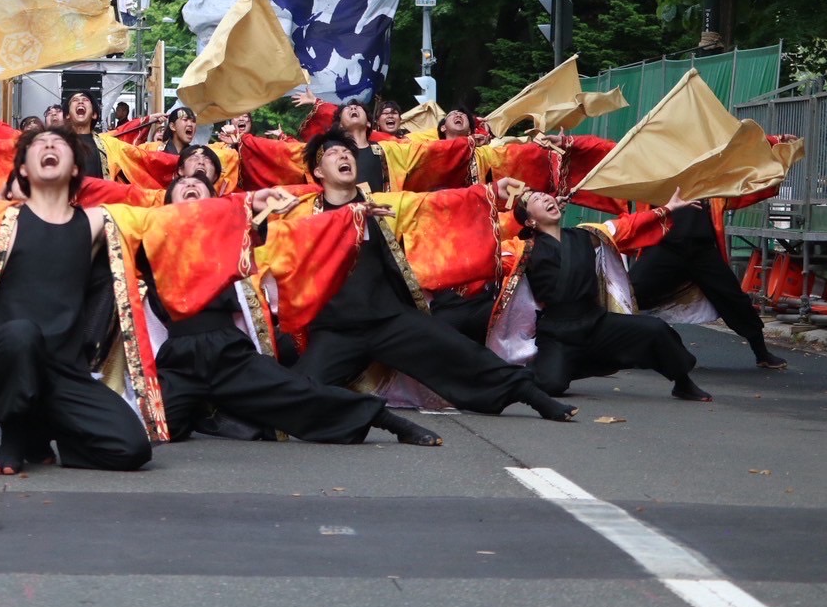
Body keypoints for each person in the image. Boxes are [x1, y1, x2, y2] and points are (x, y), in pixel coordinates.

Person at [289, 130, 576, 421]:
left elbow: (435, 203)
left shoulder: (385, 204)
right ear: (317, 170)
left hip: (388, 319)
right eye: (332, 153)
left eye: (347, 152)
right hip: (337, 330)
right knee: (300, 391)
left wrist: (488, 191)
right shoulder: (303, 213)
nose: (343, 156)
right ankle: (374, 418)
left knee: (464, 353)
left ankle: (533, 397)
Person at [147, 174, 441, 446]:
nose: (191, 186)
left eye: (199, 188)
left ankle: (388, 421)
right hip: (179, 356)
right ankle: (214, 412)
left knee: (298, 392)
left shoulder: (231, 235)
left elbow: (296, 234)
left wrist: (352, 214)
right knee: (163, 425)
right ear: (168, 202)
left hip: (223, 349)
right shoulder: (148, 239)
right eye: (182, 185)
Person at [0, 127, 153, 474]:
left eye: (59, 144)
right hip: (8, 359)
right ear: (22, 169)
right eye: (38, 143)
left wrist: (247, 203)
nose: (49, 145)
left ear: (76, 169)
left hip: (65, 372)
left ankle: (44, 429)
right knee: (21, 334)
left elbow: (168, 218)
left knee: (132, 450)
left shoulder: (96, 222)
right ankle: (15, 437)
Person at [511, 189, 713, 400]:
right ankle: (552, 366)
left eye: (545, 195)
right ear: (530, 221)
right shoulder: (523, 249)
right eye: (536, 199)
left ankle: (682, 383)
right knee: (550, 385)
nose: (545, 197)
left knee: (655, 329)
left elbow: (627, 228)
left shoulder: (586, 236)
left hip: (595, 323)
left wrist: (666, 209)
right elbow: (490, 252)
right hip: (558, 333)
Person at [629, 201, 789, 371]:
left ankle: (762, 353)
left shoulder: (706, 177)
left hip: (701, 247)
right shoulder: (658, 176)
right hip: (665, 245)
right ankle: (623, 349)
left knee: (733, 297)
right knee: (631, 292)